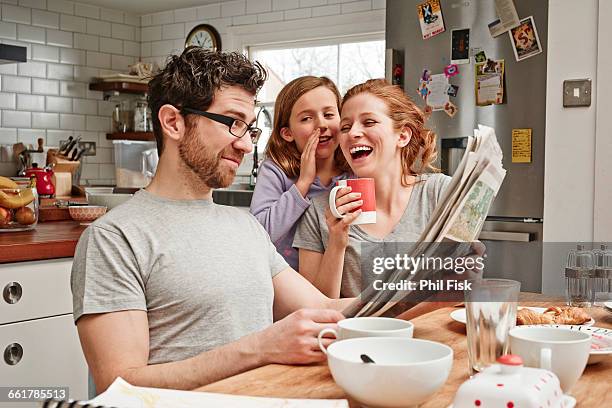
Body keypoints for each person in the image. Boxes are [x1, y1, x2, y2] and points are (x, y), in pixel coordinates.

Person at [70, 48, 354, 394]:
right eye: (233, 123)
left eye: (249, 130)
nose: (247, 146)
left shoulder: (245, 227)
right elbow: (119, 383)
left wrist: (426, 292)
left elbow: (323, 307)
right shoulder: (115, 238)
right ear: (173, 122)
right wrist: (262, 348)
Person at [293, 79, 454, 303]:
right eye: (346, 127)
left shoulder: (441, 193)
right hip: (354, 337)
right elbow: (313, 308)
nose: (352, 134)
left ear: (403, 136)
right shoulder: (319, 210)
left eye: (369, 122)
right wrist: (337, 241)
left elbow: (457, 289)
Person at [250, 76, 353, 270]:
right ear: (287, 133)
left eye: (329, 115)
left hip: (338, 280)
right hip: (288, 283)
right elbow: (259, 233)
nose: (321, 124)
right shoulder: (276, 170)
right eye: (306, 118)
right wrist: (303, 183)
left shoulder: (353, 171)